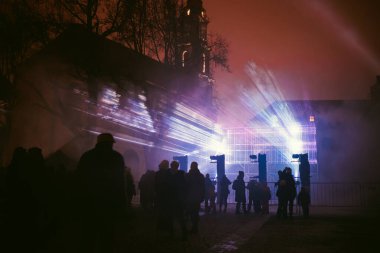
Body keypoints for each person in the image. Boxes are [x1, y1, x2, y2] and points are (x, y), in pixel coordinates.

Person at [76, 133, 127, 253]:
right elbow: (120, 182)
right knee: (106, 237)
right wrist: (122, 203)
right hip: (109, 203)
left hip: (89, 202)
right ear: (110, 144)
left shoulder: (87, 156)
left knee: (88, 236)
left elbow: (79, 179)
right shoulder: (116, 157)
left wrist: (78, 200)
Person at [170, 160, 187, 240]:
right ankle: (184, 233)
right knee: (181, 217)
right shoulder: (181, 174)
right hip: (179, 198)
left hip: (173, 199)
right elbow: (185, 185)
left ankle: (172, 233)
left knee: (171, 217)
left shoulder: (169, 174)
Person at [185, 162, 205, 234]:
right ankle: (195, 227)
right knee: (195, 213)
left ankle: (193, 227)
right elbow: (203, 188)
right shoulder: (201, 176)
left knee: (190, 213)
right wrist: (202, 196)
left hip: (189, 197)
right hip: (197, 198)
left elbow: (185, 187)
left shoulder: (187, 175)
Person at [154, 160, 173, 235]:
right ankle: (168, 228)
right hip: (167, 196)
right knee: (168, 212)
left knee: (161, 212)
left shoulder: (157, 173)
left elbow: (156, 185)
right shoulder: (169, 173)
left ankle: (161, 227)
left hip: (160, 195)